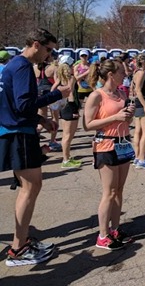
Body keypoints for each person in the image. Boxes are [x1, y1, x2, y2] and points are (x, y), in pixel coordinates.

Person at [0, 28, 71, 266]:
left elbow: (16, 104)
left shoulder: (13, 65)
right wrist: (55, 95)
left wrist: (41, 119)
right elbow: (22, 105)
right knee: (30, 188)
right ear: (36, 45)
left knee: (29, 187)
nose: (50, 56)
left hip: (18, 130)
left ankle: (21, 242)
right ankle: (18, 248)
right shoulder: (21, 67)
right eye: (49, 50)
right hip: (18, 133)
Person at [84, 59, 136, 251]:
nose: (125, 74)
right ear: (111, 75)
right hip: (105, 144)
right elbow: (87, 125)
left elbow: (124, 118)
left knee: (119, 190)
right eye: (122, 72)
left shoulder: (121, 93)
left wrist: (128, 114)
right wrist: (115, 117)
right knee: (109, 191)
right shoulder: (96, 96)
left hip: (123, 143)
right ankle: (102, 234)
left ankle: (115, 229)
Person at [52, 55, 82, 168]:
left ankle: (67, 157)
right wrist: (74, 108)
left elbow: (52, 89)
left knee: (66, 134)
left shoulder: (59, 79)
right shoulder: (71, 78)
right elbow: (70, 94)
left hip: (63, 107)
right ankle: (65, 159)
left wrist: (57, 100)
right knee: (68, 135)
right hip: (70, 107)